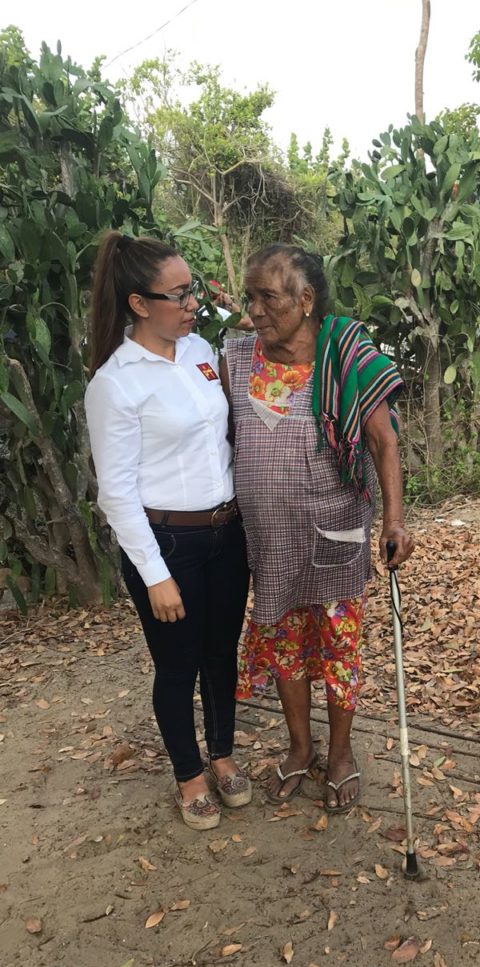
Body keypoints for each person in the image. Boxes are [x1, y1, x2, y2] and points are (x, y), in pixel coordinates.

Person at [223, 244, 414, 813]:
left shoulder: (347, 356)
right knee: (284, 647)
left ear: (306, 300)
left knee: (337, 649)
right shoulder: (236, 357)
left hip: (335, 532)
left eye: (269, 297)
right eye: (250, 297)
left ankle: (340, 754)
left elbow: (383, 442)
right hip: (268, 542)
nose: (256, 310)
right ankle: (300, 747)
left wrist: (396, 519)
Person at [84, 231, 251, 831]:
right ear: (137, 303)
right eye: (178, 295)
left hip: (227, 534)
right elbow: (117, 492)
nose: (192, 305)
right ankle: (189, 773)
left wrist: (238, 311)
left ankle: (224, 753)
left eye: (194, 292)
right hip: (169, 544)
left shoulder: (202, 349)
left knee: (220, 656)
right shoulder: (116, 382)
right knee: (177, 666)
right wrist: (156, 574)